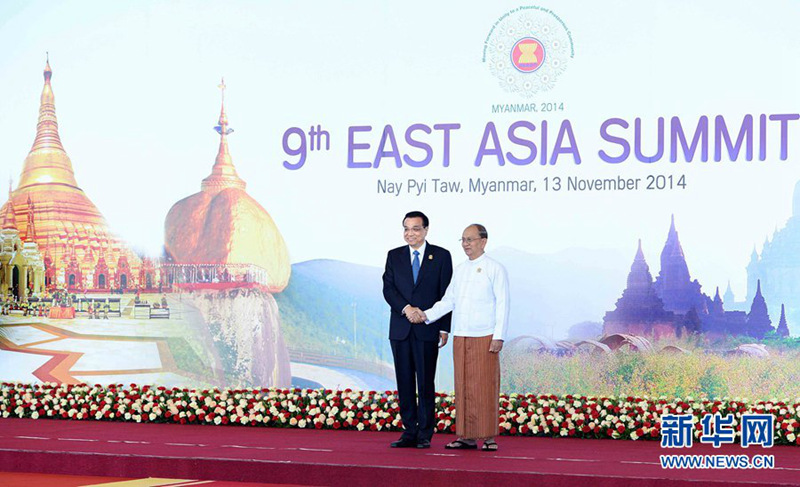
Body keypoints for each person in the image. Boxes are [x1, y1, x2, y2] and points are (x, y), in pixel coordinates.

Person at [409, 223, 509, 452]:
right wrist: (426, 315)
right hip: (461, 335)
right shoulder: (461, 269)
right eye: (463, 240)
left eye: (470, 239)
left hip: (485, 335)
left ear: (483, 241)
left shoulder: (495, 268)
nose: (466, 244)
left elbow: (503, 304)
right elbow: (448, 301)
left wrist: (499, 336)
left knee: (485, 386)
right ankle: (466, 436)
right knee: (463, 387)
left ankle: (488, 437)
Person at [383, 211, 453, 449]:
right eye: (406, 228)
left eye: (414, 228)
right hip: (401, 328)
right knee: (404, 381)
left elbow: (446, 294)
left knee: (425, 382)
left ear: (425, 230)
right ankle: (409, 431)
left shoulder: (442, 256)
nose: (409, 233)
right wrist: (407, 308)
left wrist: (444, 328)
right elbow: (388, 290)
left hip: (428, 328)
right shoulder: (394, 256)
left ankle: (425, 433)